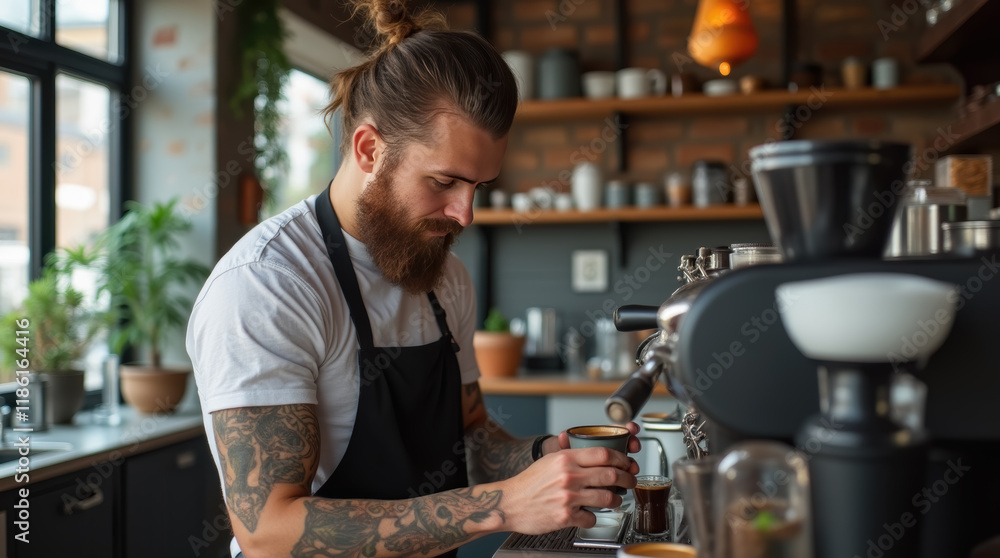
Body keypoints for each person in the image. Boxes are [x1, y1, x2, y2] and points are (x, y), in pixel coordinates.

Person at [187, 1, 639, 556]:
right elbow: (267, 532)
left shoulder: (445, 277)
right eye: (445, 181)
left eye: (478, 186)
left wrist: (550, 458)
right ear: (370, 149)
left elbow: (472, 442)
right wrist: (503, 504)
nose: (464, 214)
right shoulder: (268, 285)